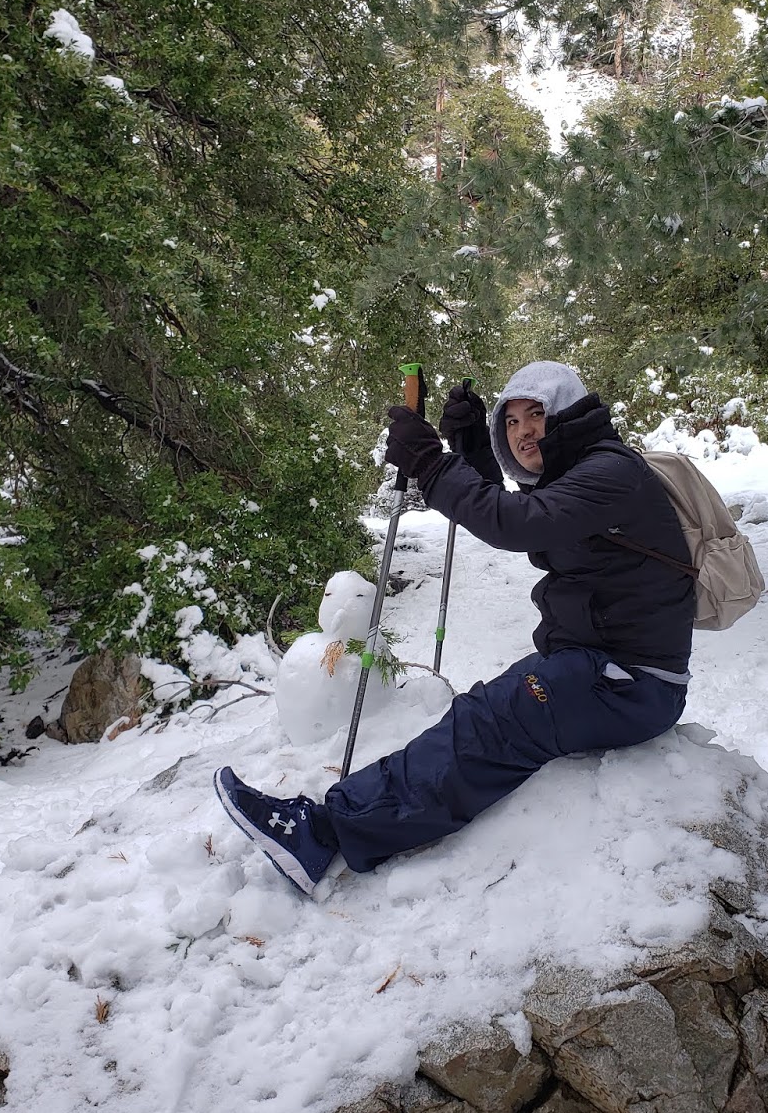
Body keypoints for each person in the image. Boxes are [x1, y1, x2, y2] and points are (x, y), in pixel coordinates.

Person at [213, 362, 697, 895]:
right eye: (510, 423)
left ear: (568, 411)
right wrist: (473, 456)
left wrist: (433, 464)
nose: (523, 431)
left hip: (630, 682)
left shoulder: (612, 473)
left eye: (536, 414)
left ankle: (325, 834)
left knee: (489, 724)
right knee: (485, 716)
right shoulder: (582, 477)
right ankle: (348, 817)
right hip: (599, 667)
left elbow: (519, 523)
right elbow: (527, 514)